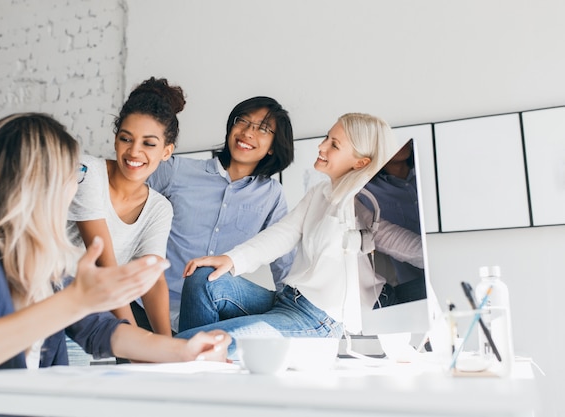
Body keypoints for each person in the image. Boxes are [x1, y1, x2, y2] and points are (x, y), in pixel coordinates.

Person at [0, 113, 230, 417]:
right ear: (39, 181)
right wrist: (74, 301)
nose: (75, 187)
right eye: (72, 174)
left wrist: (184, 351)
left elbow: (102, 330)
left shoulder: (44, 262)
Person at [175, 113, 423, 355]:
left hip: (317, 321)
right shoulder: (320, 193)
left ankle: (188, 360)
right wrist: (231, 260)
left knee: (190, 344)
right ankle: (198, 370)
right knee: (204, 278)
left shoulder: (362, 209)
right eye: (327, 137)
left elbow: (411, 248)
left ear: (360, 163)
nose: (322, 146)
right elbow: (283, 234)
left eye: (334, 145)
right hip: (288, 299)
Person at [147, 96, 295, 332]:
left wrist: (296, 310)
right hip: (151, 305)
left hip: (214, 311)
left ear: (273, 147)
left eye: (263, 129)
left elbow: (283, 258)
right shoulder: (177, 170)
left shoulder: (271, 195)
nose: (248, 132)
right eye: (243, 121)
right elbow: (125, 195)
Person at [67, 77, 182, 335]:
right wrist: (139, 341)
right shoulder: (86, 172)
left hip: (90, 309)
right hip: (44, 297)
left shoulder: (159, 208)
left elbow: (153, 279)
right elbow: (104, 264)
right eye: (126, 139)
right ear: (116, 139)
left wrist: (164, 343)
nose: (134, 152)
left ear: (166, 151)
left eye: (149, 144)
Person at [362, 140, 427, 303]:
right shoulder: (366, 192)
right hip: (410, 285)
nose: (400, 141)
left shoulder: (428, 173)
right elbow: (383, 236)